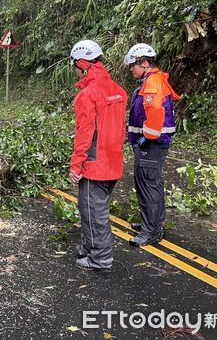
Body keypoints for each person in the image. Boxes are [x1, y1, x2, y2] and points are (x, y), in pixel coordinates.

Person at [69, 40, 128, 272]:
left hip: (95, 165)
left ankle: (100, 258)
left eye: (75, 65)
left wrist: (76, 165)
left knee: (94, 213)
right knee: (90, 209)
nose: (74, 70)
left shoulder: (88, 94)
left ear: (82, 64)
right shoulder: (118, 91)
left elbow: (85, 133)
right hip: (112, 161)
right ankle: (88, 248)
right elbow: (121, 129)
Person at [124, 43, 180, 247]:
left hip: (151, 144)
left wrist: (145, 138)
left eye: (133, 65)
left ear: (145, 63)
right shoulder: (151, 80)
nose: (131, 69)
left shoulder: (153, 83)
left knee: (148, 184)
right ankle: (154, 222)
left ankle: (152, 231)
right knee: (150, 182)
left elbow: (155, 113)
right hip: (149, 143)